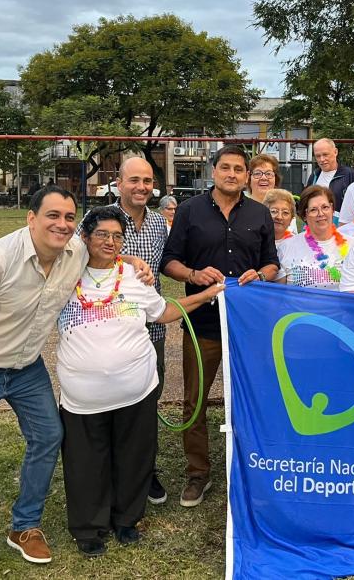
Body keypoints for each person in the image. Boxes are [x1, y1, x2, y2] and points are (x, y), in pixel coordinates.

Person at [0, 185, 154, 580]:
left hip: (26, 368)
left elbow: (106, 251)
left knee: (49, 437)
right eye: (53, 215)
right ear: (31, 218)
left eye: (69, 218)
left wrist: (135, 260)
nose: (62, 224)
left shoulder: (73, 252)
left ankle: (25, 526)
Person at [57, 207, 225, 557]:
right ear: (84, 237)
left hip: (137, 389)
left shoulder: (134, 278)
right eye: (102, 234)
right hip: (82, 398)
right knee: (87, 463)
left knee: (134, 457)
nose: (110, 241)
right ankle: (89, 526)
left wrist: (205, 296)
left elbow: (163, 311)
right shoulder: (62, 274)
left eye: (118, 236)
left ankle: (126, 519)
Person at [162, 145, 279, 508]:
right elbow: (170, 262)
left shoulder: (260, 214)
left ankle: (247, 469)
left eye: (239, 169)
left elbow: (272, 264)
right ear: (214, 172)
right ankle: (198, 473)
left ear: (246, 176)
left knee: (248, 401)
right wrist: (194, 274)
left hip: (248, 328)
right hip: (202, 325)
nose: (232, 174)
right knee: (194, 401)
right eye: (225, 168)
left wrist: (259, 274)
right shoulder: (189, 211)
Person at [113, 157, 171, 504]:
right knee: (114, 402)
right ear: (118, 183)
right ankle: (114, 470)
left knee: (148, 400)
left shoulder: (159, 224)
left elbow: (169, 263)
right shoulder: (99, 220)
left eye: (147, 181)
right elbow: (80, 259)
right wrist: (130, 261)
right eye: (134, 180)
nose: (141, 187)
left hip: (152, 329)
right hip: (112, 327)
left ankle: (145, 470)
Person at [279, 186, 346, 290]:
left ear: (332, 209)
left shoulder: (353, 246)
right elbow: (278, 294)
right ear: (305, 215)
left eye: (325, 207)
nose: (321, 214)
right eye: (313, 210)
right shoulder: (286, 247)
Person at [304, 137, 354, 212]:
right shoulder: (314, 176)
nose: (322, 159)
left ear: (335, 152)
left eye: (325, 154)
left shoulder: (352, 176)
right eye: (318, 156)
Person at [263, 188, 297, 261]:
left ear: (291, 219)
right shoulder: (255, 240)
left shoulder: (297, 244)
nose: (279, 217)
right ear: (264, 214)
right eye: (274, 211)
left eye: (285, 212)